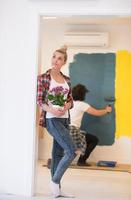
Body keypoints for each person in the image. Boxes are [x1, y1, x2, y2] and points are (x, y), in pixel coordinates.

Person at [37, 46, 79, 198]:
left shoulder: (66, 79)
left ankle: (57, 191)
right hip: (51, 119)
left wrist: (67, 106)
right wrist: (53, 110)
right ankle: (55, 181)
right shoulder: (44, 77)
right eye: (54, 57)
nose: (56, 60)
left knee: (57, 154)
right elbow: (40, 100)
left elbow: (70, 101)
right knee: (72, 151)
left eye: (59, 58)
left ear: (64, 62)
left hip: (64, 119)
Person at [69, 84, 112, 166]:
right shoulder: (82, 104)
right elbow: (97, 113)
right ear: (83, 95)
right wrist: (107, 110)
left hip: (65, 130)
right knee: (94, 140)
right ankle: (81, 161)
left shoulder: (69, 103)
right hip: (73, 130)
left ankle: (59, 159)